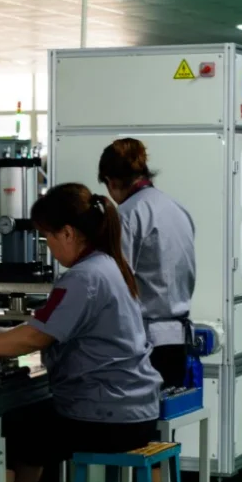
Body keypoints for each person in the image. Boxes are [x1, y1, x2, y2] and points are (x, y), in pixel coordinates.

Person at [0, 183, 162, 482]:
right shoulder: (109, 265)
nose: (48, 246)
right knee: (32, 436)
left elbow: (35, 337)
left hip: (105, 417)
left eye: (48, 236)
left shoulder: (83, 277)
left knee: (11, 432)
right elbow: (47, 328)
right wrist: (10, 337)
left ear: (67, 233)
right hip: (135, 410)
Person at [99, 138, 196, 389]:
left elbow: (115, 283)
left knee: (139, 412)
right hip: (178, 340)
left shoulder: (127, 215)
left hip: (145, 344)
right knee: (162, 411)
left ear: (111, 181)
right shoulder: (176, 208)